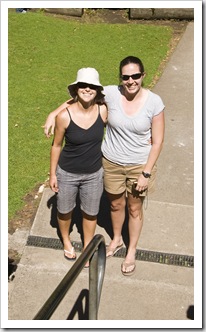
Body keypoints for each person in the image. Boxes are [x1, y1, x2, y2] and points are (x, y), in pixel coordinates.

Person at [44, 56, 165, 276]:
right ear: (121, 78)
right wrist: (53, 113)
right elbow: (76, 100)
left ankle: (130, 251)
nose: (131, 81)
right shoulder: (111, 93)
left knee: (132, 208)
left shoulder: (152, 102)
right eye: (126, 76)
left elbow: (158, 140)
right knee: (115, 205)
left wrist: (146, 171)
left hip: (137, 165)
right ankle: (115, 239)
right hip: (110, 163)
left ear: (143, 76)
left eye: (135, 76)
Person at [49, 67, 107, 265]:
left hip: (93, 174)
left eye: (92, 86)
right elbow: (56, 146)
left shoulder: (103, 110)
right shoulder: (64, 116)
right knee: (65, 210)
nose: (87, 89)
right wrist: (53, 175)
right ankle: (66, 240)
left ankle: (87, 246)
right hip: (67, 173)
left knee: (91, 212)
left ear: (97, 90)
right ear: (76, 89)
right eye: (83, 85)